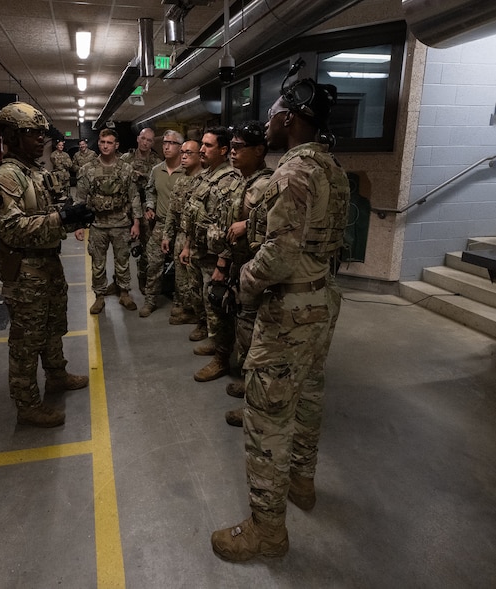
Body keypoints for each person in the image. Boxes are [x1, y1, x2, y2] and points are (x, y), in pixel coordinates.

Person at [210, 80, 349, 562]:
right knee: (308, 394)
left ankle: (267, 532)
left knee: (268, 418)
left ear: (290, 118)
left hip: (289, 309)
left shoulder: (292, 172)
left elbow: (280, 255)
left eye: (272, 113)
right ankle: (302, 483)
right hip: (323, 300)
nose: (267, 121)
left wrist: (242, 284)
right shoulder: (331, 166)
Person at [0, 102, 92, 428]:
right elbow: (12, 229)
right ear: (13, 136)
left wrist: (73, 216)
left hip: (48, 261)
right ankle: (27, 404)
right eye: (33, 134)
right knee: (26, 340)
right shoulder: (4, 178)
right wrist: (61, 218)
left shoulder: (36, 172)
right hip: (25, 269)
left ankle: (56, 375)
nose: (40, 140)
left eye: (42, 134)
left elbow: (51, 212)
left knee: (52, 325)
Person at [207, 122, 274, 427]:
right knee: (244, 333)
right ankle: (250, 389)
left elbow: (276, 227)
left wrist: (249, 224)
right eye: (231, 147)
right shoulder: (243, 182)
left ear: (259, 151)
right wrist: (223, 263)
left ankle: (254, 406)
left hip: (257, 275)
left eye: (239, 147)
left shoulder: (267, 185)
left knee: (254, 344)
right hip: (239, 267)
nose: (233, 153)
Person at [179, 127, 236, 382]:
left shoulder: (231, 181)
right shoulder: (205, 177)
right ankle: (215, 343)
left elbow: (231, 225)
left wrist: (222, 263)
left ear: (223, 151)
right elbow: (193, 215)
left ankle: (222, 358)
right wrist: (188, 245)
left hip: (216, 257)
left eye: (208, 146)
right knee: (205, 301)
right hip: (200, 252)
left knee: (218, 307)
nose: (201, 149)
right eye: (201, 144)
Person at [75, 128, 142, 314]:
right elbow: (80, 200)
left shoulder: (126, 169)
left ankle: (124, 293)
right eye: (103, 142)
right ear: (98, 144)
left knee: (123, 260)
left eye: (109, 143)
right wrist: (79, 225)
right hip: (98, 224)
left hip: (121, 222)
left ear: (116, 145)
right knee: (98, 262)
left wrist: (136, 222)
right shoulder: (87, 169)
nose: (105, 146)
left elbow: (134, 197)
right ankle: (99, 296)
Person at [139, 130, 183, 317]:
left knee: (182, 268)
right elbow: (151, 191)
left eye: (172, 143)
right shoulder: (157, 170)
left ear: (181, 147)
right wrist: (150, 206)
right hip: (161, 224)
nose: (166, 146)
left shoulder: (188, 171)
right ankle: (150, 300)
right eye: (164, 142)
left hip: (181, 227)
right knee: (153, 263)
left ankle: (181, 303)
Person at [162, 139, 203, 325]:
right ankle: (187, 308)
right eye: (183, 153)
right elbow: (172, 209)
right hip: (180, 234)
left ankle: (198, 314)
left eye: (189, 153)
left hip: (194, 238)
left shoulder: (204, 181)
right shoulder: (181, 180)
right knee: (181, 278)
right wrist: (167, 235)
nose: (184, 156)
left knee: (195, 279)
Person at [120, 127, 162, 295]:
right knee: (121, 249)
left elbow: (156, 189)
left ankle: (143, 278)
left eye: (149, 140)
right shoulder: (125, 159)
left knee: (147, 247)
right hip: (126, 209)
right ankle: (120, 283)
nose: (145, 143)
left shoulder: (156, 162)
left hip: (145, 207)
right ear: (138, 139)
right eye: (143, 139)